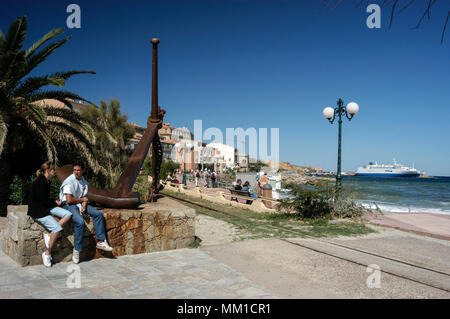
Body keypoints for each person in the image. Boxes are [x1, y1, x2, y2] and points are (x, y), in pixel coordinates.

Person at [60, 162, 113, 264]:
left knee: (98, 214)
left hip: (79, 203)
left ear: (83, 170)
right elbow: (69, 200)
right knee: (80, 222)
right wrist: (83, 200)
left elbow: (83, 197)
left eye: (78, 170)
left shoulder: (83, 181)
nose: (76, 172)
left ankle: (101, 241)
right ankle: (77, 250)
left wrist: (84, 202)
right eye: (74, 170)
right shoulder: (69, 181)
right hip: (68, 205)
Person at [27, 162, 72, 267]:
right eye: (53, 170)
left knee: (68, 214)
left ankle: (50, 235)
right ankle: (47, 253)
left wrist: (54, 202)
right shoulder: (40, 182)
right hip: (38, 211)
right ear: (47, 171)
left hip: (45, 206)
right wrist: (54, 203)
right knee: (56, 229)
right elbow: (42, 201)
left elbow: (45, 199)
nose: (54, 172)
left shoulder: (47, 181)